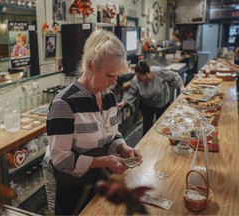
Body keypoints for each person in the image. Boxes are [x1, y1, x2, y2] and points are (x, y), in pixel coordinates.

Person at [43, 29, 143, 215]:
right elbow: (60, 160)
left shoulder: (109, 97)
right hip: (73, 189)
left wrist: (123, 148)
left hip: (101, 182)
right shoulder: (64, 104)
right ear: (90, 66)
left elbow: (111, 135)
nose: (114, 82)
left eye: (117, 76)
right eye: (109, 75)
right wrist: (103, 161)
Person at [118, 60, 185, 137]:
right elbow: (131, 93)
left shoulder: (159, 72)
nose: (137, 78)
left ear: (146, 74)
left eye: (139, 76)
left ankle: (161, 142)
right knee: (147, 125)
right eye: (136, 76)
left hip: (162, 102)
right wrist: (123, 102)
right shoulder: (136, 79)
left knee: (163, 125)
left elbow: (174, 76)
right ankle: (145, 143)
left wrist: (182, 87)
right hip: (147, 105)